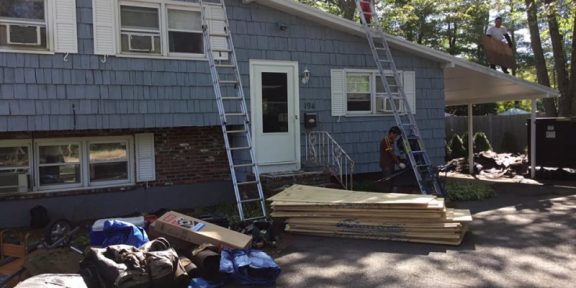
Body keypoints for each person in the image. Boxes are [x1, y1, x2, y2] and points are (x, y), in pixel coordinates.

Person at [379, 126, 406, 191]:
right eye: (395, 135)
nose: (395, 137)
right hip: (386, 165)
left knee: (392, 181)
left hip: (390, 164)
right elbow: (391, 153)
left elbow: (393, 153)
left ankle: (390, 193)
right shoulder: (386, 141)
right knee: (388, 181)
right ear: (391, 133)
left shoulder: (391, 140)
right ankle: (386, 196)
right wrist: (398, 163)